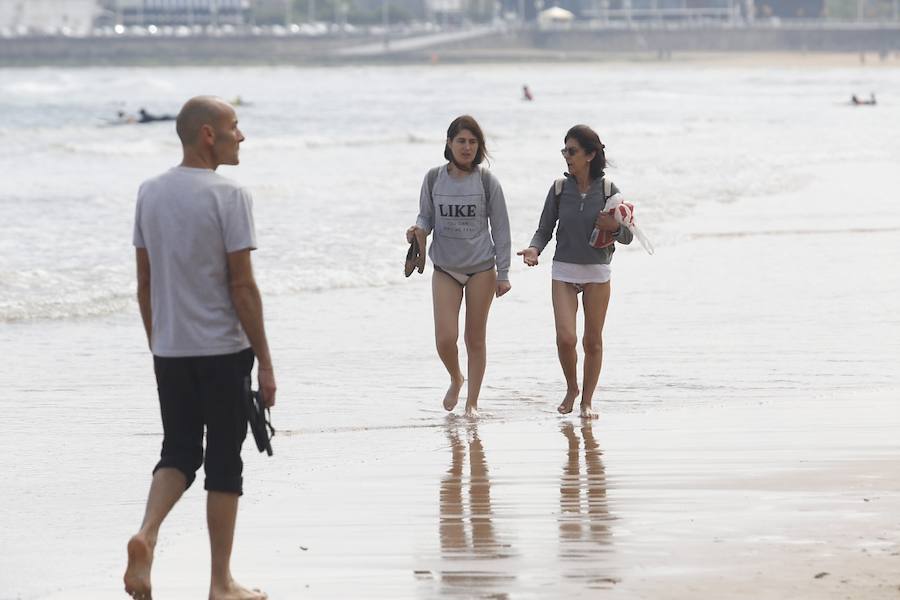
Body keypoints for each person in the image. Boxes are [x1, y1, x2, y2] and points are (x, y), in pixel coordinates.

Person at [125, 96, 276, 600]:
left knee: (179, 450)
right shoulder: (229, 197)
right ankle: (220, 582)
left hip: (171, 350)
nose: (242, 136)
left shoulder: (150, 193)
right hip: (222, 351)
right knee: (224, 463)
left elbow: (144, 283)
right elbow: (242, 288)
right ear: (209, 134)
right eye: (235, 126)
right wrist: (268, 364)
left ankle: (146, 535)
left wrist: (158, 344)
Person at [517, 125, 633, 419]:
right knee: (566, 338)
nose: (567, 156)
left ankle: (587, 401)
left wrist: (615, 228)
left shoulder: (609, 192)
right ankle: (572, 388)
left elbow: (629, 236)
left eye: (572, 151)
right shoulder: (558, 189)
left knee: (592, 341)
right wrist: (534, 249)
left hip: (597, 271)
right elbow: (544, 229)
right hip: (564, 270)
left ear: (590, 155)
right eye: (564, 151)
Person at [407, 115, 512, 418]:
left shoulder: (486, 181)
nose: (466, 147)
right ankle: (456, 377)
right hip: (445, 268)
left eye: (472, 142)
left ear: (479, 146)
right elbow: (426, 217)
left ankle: (472, 403)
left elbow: (501, 229)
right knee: (444, 338)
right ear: (449, 143)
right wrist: (417, 231)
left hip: (481, 267)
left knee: (474, 338)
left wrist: (503, 274)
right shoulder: (433, 178)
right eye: (461, 141)